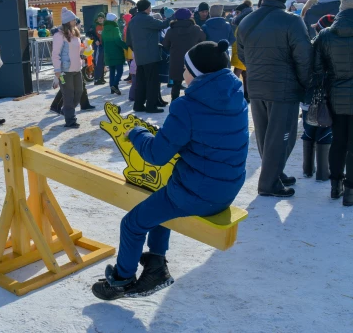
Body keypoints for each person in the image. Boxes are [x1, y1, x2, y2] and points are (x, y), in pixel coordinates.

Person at [92, 40, 248, 300]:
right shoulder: (235, 95)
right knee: (162, 198)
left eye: (185, 68)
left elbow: (156, 155)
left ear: (197, 74)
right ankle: (155, 260)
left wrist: (137, 133)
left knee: (132, 224)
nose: (181, 73)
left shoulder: (188, 106)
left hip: (197, 193)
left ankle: (121, 280)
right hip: (227, 186)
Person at [238, 0, 312, 197]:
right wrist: (306, 83)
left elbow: (242, 55)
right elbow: (304, 57)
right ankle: (269, 183)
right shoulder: (292, 21)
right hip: (283, 88)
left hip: (256, 85)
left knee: (264, 135)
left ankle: (274, 173)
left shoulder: (245, 21)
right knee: (282, 137)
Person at [312, 0, 353, 206]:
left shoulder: (326, 35)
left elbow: (317, 69)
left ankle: (335, 185)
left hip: (335, 96)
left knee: (338, 141)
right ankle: (351, 192)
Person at [301, 15, 334, 182]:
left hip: (309, 95)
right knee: (325, 130)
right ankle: (322, 172)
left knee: (309, 129)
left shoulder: (310, 45)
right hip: (328, 97)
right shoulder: (335, 45)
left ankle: (307, 169)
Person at [126, 0, 170, 113]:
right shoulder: (147, 19)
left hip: (139, 57)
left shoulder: (132, 21)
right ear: (147, 8)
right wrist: (172, 17)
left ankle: (138, 105)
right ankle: (151, 106)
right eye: (150, 7)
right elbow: (162, 24)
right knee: (152, 82)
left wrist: (137, 50)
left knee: (141, 82)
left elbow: (129, 41)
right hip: (150, 56)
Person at [162, 8, 206, 101]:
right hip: (192, 59)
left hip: (176, 59)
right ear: (190, 17)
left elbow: (165, 45)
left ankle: (174, 103)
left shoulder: (171, 30)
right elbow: (203, 40)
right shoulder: (196, 28)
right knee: (193, 83)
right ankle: (192, 103)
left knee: (176, 84)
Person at [52, 7, 83, 128]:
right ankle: (70, 120)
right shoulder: (59, 35)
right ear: (67, 21)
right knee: (68, 95)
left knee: (79, 92)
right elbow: (55, 54)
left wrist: (84, 49)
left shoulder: (75, 33)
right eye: (73, 20)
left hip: (77, 69)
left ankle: (66, 111)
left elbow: (75, 49)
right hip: (65, 71)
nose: (75, 21)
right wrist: (57, 70)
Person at [231, 0, 254, 102]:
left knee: (236, 73)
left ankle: (232, 92)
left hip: (241, 50)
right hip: (247, 51)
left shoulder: (242, 22)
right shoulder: (251, 18)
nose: (236, 15)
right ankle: (247, 94)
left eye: (237, 13)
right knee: (245, 73)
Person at [102, 12, 128, 95]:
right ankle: (115, 85)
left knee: (112, 71)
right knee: (120, 71)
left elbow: (103, 42)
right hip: (116, 52)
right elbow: (118, 41)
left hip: (108, 53)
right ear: (113, 20)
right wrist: (127, 46)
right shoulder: (115, 29)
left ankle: (112, 89)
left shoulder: (104, 29)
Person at [88, 12, 106, 85]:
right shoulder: (94, 25)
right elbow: (89, 34)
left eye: (101, 18)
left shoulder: (105, 25)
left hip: (104, 45)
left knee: (103, 62)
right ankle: (96, 79)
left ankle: (101, 78)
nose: (100, 19)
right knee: (98, 62)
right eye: (99, 18)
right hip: (98, 46)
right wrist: (95, 40)